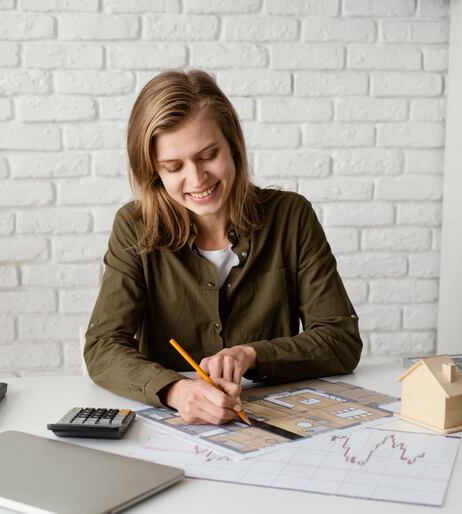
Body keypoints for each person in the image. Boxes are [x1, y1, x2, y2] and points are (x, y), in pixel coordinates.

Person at [84, 69, 362, 425]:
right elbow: (103, 347)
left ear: (233, 145)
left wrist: (252, 355)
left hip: (273, 421)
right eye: (174, 167)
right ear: (154, 172)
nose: (197, 179)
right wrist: (176, 391)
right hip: (173, 425)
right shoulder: (134, 227)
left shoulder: (291, 216)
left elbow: (341, 341)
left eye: (208, 155)